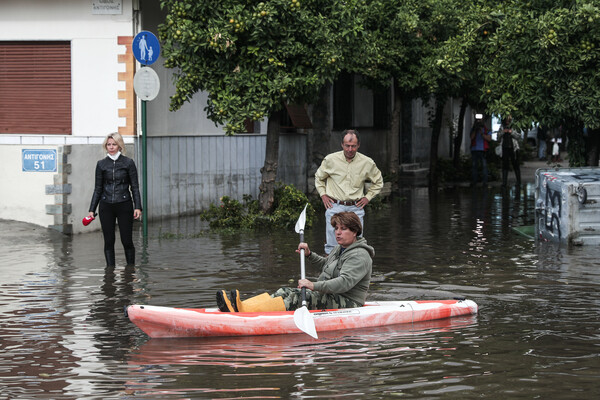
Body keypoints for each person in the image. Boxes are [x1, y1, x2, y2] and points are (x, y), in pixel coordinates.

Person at [216, 212, 374, 312]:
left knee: (296, 298)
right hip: (331, 295)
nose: (338, 232)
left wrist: (313, 286)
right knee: (284, 291)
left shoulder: (359, 255)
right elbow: (326, 266)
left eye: (343, 229)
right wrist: (309, 254)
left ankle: (245, 312)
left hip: (348, 302)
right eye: (336, 228)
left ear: (354, 232)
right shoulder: (340, 248)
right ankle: (242, 307)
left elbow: (344, 283)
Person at [314, 129, 383, 254]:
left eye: (353, 146)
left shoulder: (367, 162)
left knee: (357, 245)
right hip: (334, 205)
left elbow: (378, 182)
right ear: (342, 144)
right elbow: (319, 178)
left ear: (358, 145)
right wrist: (323, 195)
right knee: (331, 245)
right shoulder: (330, 160)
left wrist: (368, 197)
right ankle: (331, 270)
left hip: (355, 207)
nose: (350, 149)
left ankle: (354, 271)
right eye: (347, 146)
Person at [88, 133, 142, 267]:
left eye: (114, 144)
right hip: (106, 206)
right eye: (108, 144)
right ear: (106, 146)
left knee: (126, 240)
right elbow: (97, 189)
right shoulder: (101, 164)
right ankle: (110, 272)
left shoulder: (128, 163)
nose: (111, 147)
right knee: (109, 241)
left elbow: (134, 187)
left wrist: (138, 207)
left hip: (124, 205)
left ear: (119, 146)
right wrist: (91, 210)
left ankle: (130, 271)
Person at [498, 116, 521, 187]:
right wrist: (503, 132)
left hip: (513, 148)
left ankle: (518, 181)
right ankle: (504, 182)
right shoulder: (502, 127)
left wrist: (512, 132)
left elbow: (519, 136)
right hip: (505, 147)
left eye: (509, 120)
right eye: (506, 120)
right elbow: (498, 137)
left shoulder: (514, 126)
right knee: (505, 165)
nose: (507, 122)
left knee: (515, 164)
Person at [470, 115, 491, 186]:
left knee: (484, 166)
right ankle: (474, 181)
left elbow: (489, 139)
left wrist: (482, 133)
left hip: (483, 149)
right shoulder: (473, 129)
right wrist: (475, 130)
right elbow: (471, 137)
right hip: (474, 149)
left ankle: (485, 182)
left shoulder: (486, 129)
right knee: (474, 166)